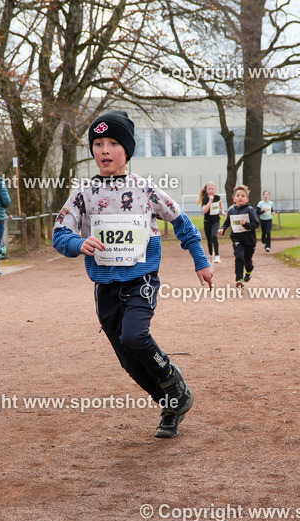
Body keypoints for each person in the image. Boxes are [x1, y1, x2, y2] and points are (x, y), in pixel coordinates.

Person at [53, 110, 212, 439]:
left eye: (113, 143)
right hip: (105, 287)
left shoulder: (145, 189)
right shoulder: (83, 194)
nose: (105, 150)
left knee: (134, 337)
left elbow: (182, 223)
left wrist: (200, 259)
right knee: (128, 359)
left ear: (127, 150)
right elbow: (59, 233)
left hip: (140, 280)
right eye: (98, 144)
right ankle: (171, 405)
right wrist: (78, 242)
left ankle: (170, 373)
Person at [219, 184, 259, 288]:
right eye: (238, 195)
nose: (240, 197)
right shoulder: (232, 210)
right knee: (239, 257)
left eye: (243, 196)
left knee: (247, 260)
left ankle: (249, 270)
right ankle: (239, 279)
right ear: (234, 198)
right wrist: (222, 228)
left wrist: (246, 224)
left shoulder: (250, 210)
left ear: (247, 199)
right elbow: (227, 221)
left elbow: (256, 224)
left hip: (249, 240)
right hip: (237, 239)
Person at [197, 181, 222, 262]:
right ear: (206, 190)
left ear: (215, 190)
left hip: (216, 221)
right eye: (209, 189)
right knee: (209, 239)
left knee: (214, 236)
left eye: (212, 189)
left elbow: (220, 202)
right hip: (207, 221)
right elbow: (204, 211)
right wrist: (210, 201)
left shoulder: (217, 197)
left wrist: (223, 210)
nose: (211, 190)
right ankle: (211, 254)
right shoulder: (205, 199)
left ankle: (217, 255)